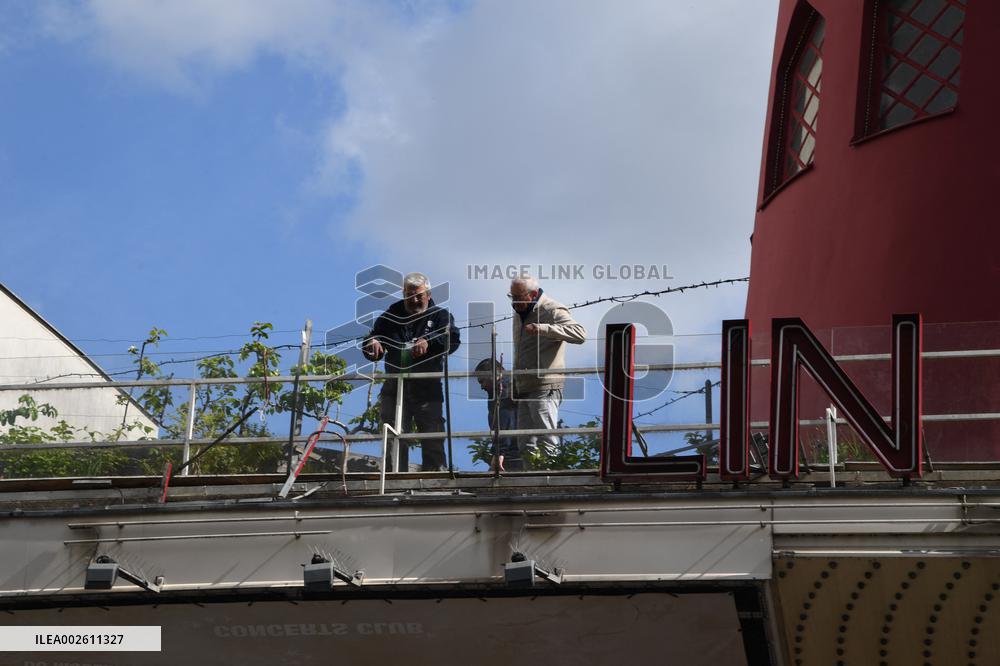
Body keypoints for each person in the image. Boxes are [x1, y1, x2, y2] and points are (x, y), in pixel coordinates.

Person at [363, 272, 460, 472]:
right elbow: (373, 338)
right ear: (403, 293)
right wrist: (371, 344)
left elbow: (452, 340)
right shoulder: (391, 315)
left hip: (427, 388)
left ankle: (434, 476)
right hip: (395, 386)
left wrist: (429, 341)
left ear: (428, 294)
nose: (414, 300)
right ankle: (394, 476)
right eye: (409, 295)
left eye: (418, 296)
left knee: (432, 433)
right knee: (393, 432)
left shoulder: (441, 316)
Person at [509, 275, 586, 468]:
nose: (514, 302)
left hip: (545, 385)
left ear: (533, 294)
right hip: (524, 385)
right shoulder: (519, 312)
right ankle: (531, 479)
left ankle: (551, 477)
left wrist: (545, 329)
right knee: (524, 441)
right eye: (512, 296)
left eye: (519, 297)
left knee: (546, 436)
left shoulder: (551, 309)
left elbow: (580, 333)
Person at [474, 357, 520, 471]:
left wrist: (499, 452)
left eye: (482, 381)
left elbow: (505, 421)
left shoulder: (504, 389)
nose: (481, 386)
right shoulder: (498, 391)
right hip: (510, 450)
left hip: (511, 454)